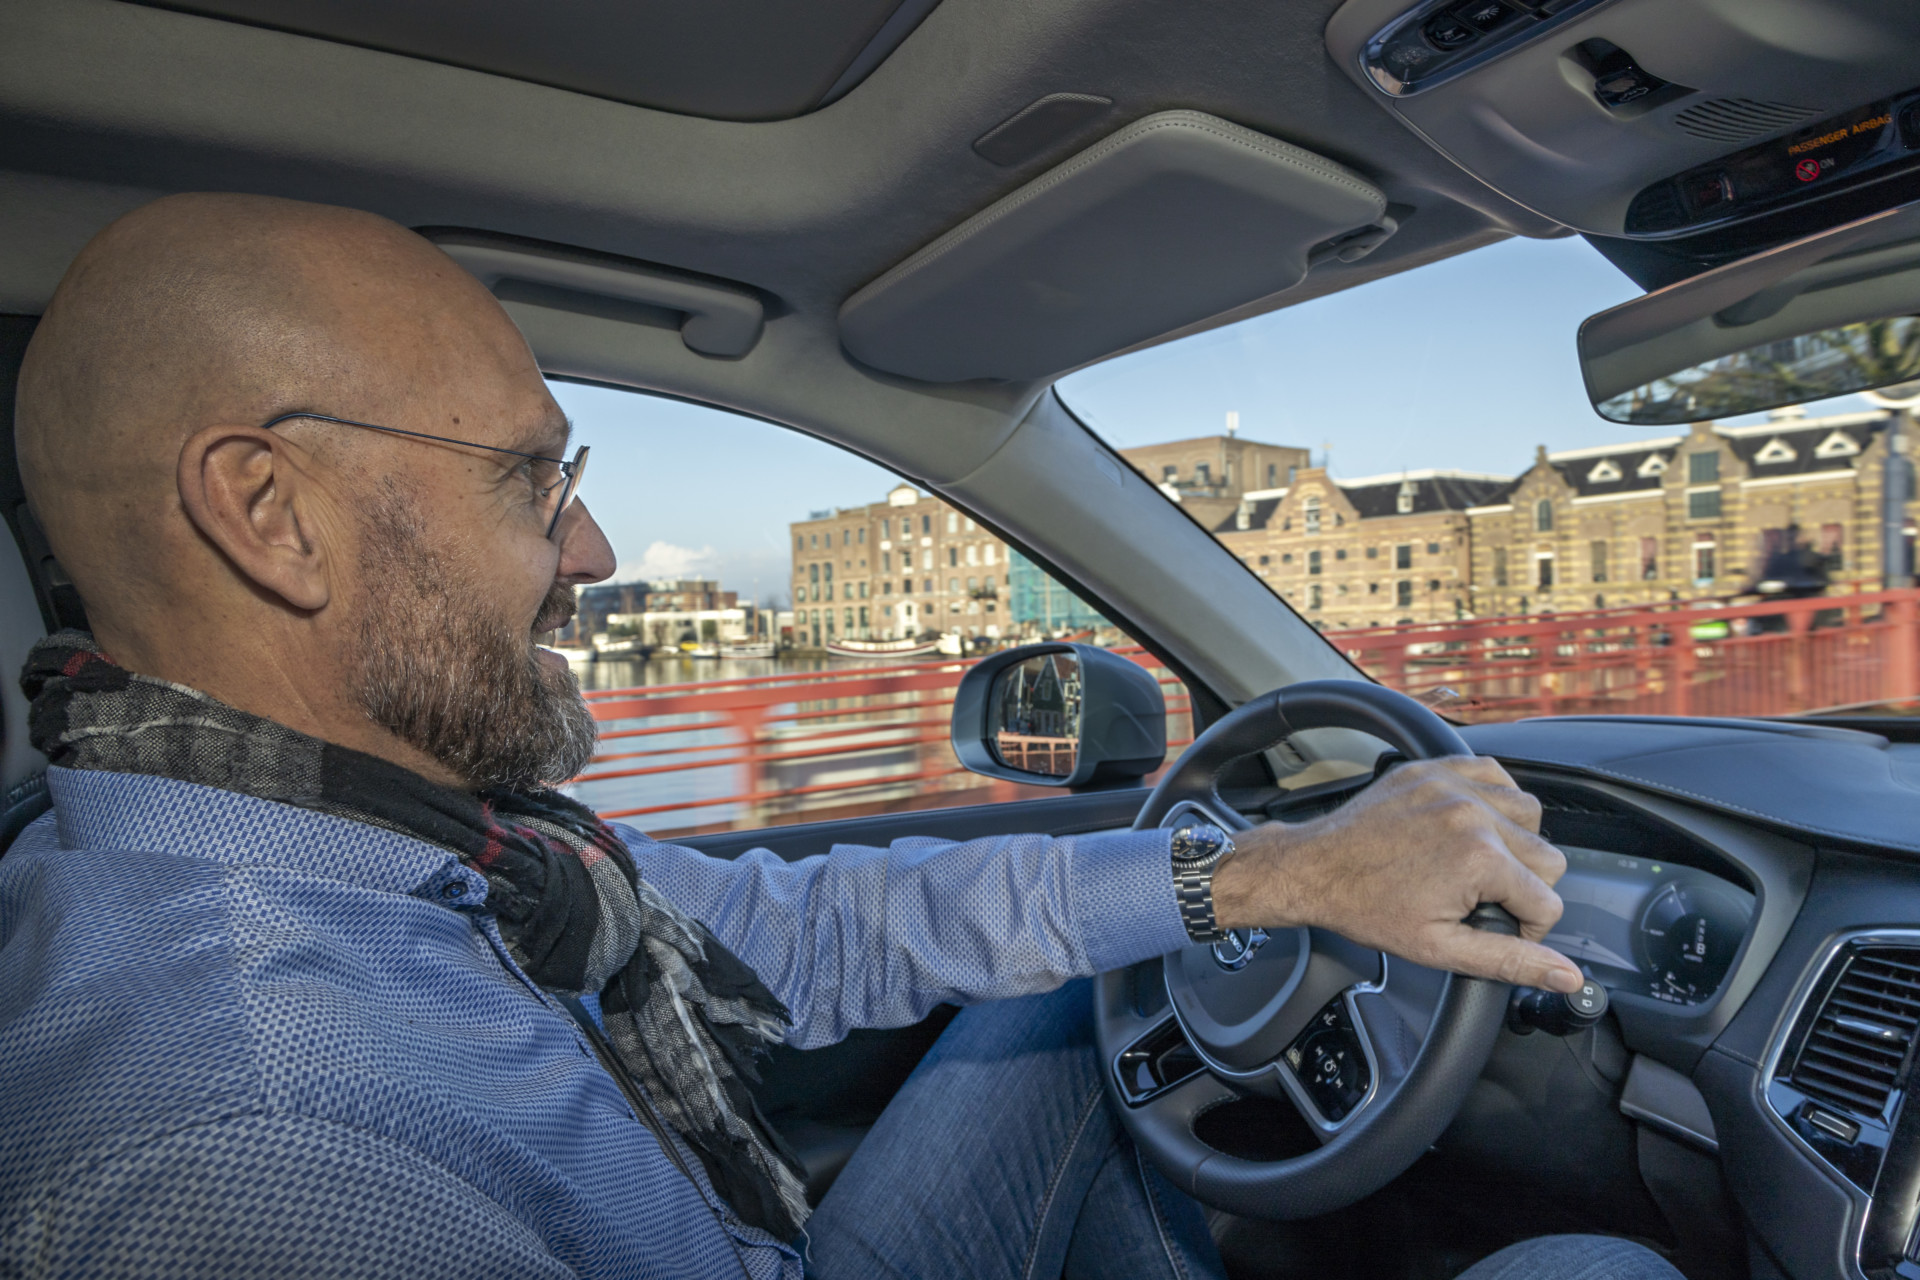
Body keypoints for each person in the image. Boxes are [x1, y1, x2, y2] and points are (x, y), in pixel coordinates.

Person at [0, 194, 1680, 1280]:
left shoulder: (413, 839)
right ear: (267, 516)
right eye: (533, 479)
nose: (587, 553)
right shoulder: (256, 1150)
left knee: (1065, 1021)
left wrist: (1266, 871)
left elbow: (802, 933)